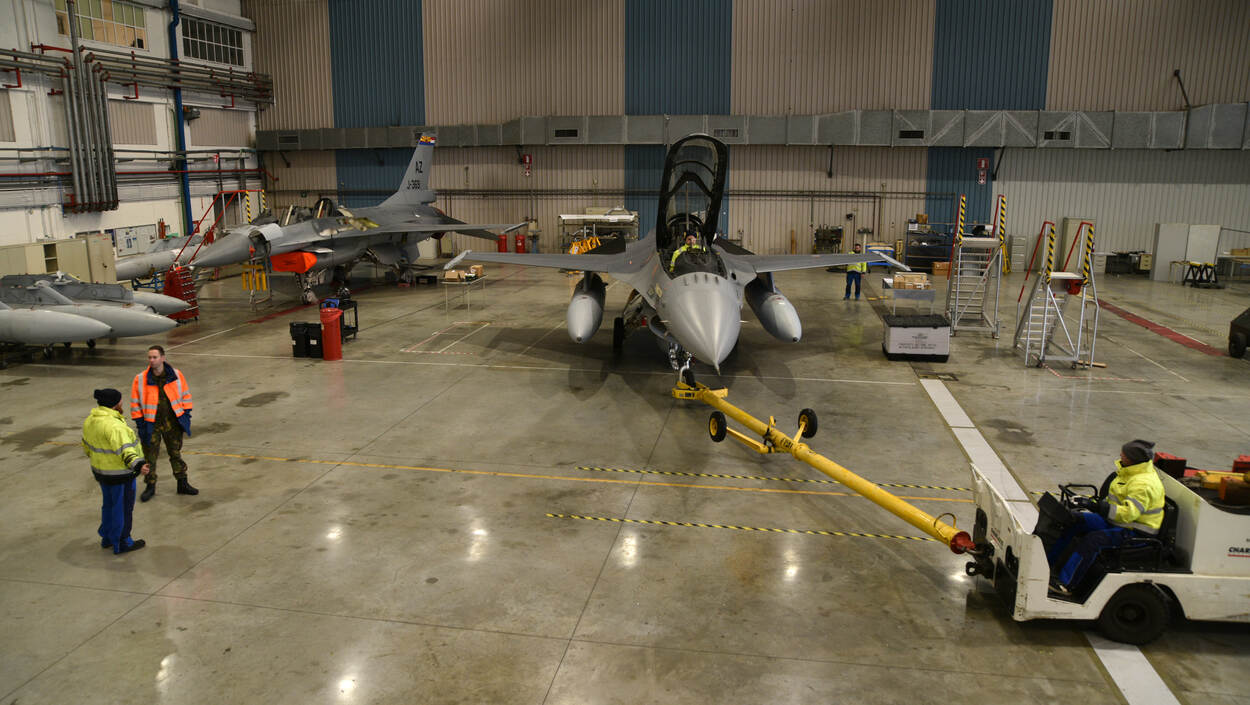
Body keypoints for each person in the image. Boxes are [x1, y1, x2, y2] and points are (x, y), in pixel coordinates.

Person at [1048, 439, 1166, 595]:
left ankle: (1066, 584)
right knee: (1072, 520)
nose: (1120, 454)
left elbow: (1128, 514)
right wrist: (1090, 503)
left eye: (1124, 453)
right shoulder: (1128, 472)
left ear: (1132, 458)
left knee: (1093, 540)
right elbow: (1114, 502)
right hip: (1117, 522)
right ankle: (1047, 564)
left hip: (1134, 531)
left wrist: (1098, 507)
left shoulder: (1144, 484)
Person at [82, 388, 150, 554]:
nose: (122, 403)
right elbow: (125, 449)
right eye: (120, 401)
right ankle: (123, 542)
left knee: (109, 506)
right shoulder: (114, 426)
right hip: (120, 475)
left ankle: (107, 537)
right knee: (123, 508)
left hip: (102, 473)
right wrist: (139, 465)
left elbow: (86, 446)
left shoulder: (91, 420)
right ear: (114, 404)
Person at [131, 345, 197, 501]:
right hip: (151, 423)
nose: (151, 360)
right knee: (150, 456)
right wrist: (140, 423)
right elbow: (135, 403)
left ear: (162, 358)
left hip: (172, 422)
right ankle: (150, 486)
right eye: (149, 357)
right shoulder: (140, 379)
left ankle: (182, 483)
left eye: (154, 357)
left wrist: (186, 414)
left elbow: (185, 395)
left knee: (175, 453)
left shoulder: (176, 375)